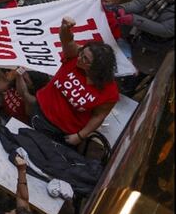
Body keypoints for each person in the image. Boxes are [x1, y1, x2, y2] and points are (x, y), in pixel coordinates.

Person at [33, 16, 119, 146]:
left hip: (62, 132)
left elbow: (99, 116)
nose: (79, 58)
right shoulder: (74, 57)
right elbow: (67, 41)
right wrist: (65, 28)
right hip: (40, 112)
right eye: (81, 53)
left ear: (97, 68)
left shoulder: (110, 92)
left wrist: (80, 136)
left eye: (85, 59)